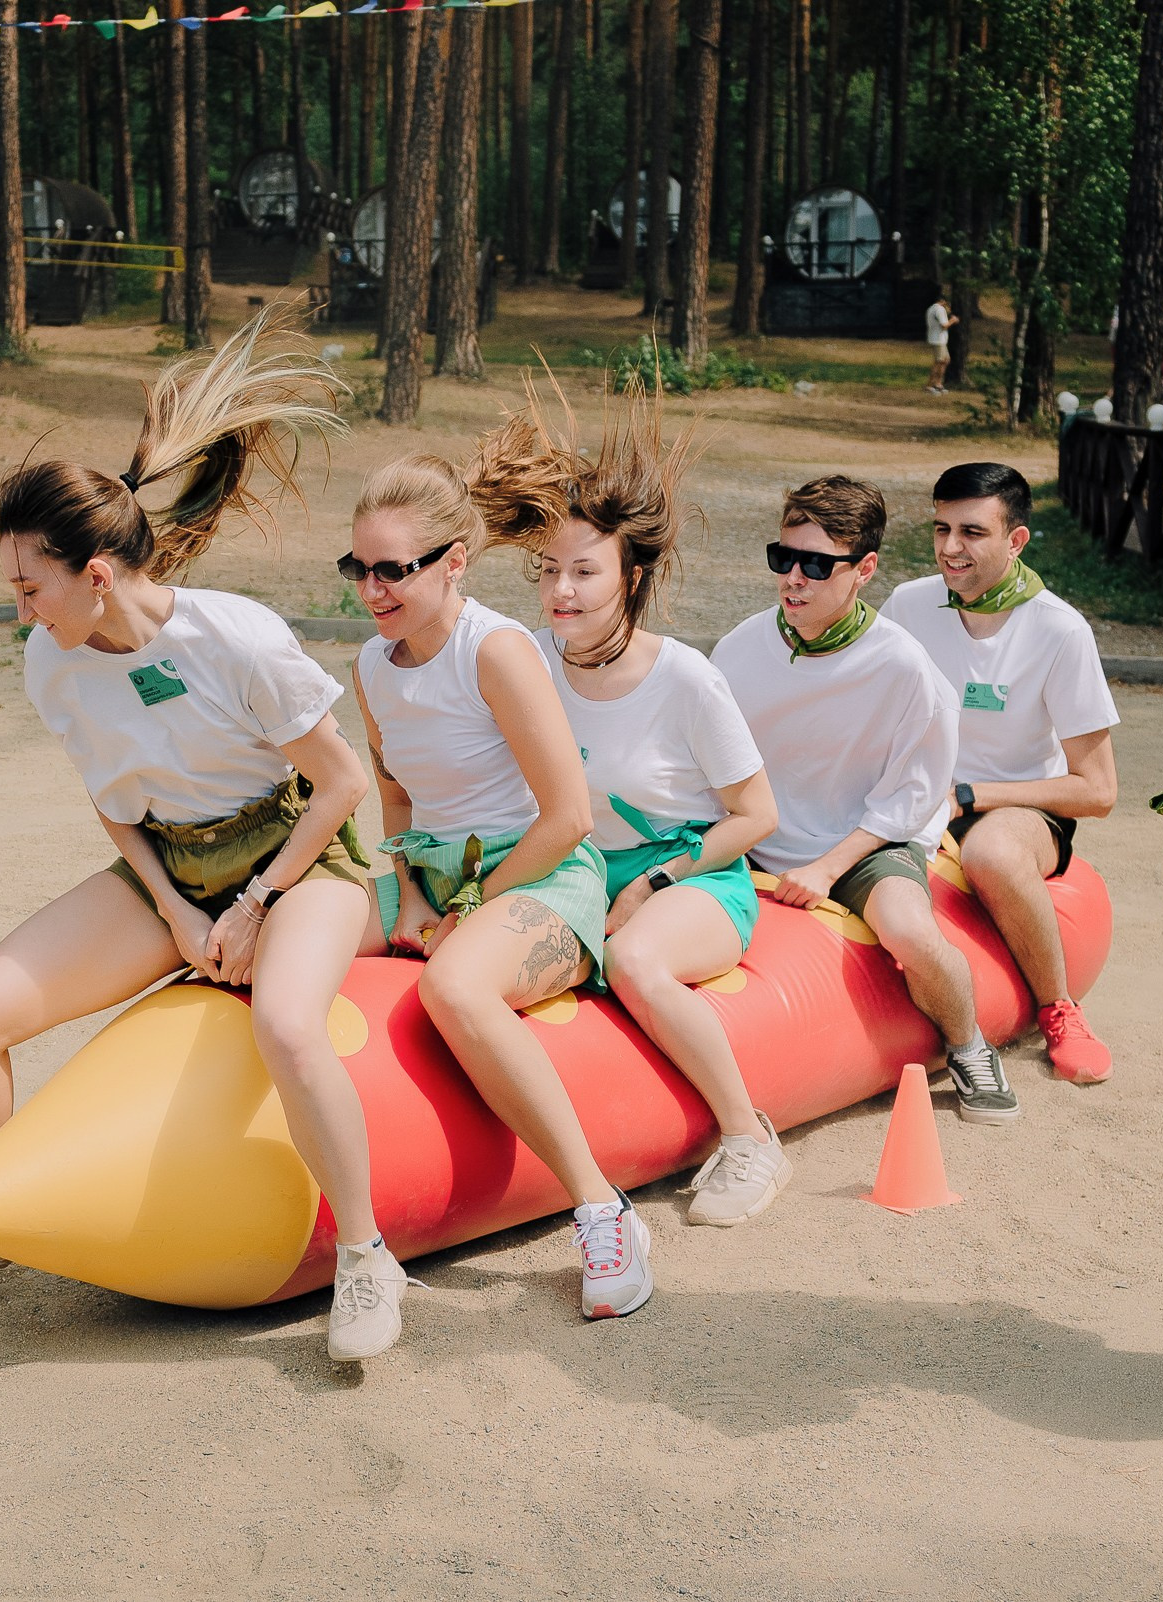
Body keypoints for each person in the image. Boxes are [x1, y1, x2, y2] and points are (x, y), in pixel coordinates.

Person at [0, 318, 414, 1363]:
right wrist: (173, 907)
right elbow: (112, 800)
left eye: (32, 585)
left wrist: (254, 909)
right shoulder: (52, 659)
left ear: (99, 573)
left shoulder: (237, 638)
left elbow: (341, 785)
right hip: (174, 865)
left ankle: (366, 1259)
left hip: (300, 861)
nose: (18, 605)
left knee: (289, 1030)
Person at [345, 444, 653, 1319]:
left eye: (393, 571)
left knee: (454, 984)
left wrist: (465, 910)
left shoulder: (498, 650)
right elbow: (397, 796)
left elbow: (568, 817)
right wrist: (407, 897)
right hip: (434, 876)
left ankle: (603, 1207)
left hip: (541, 874)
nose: (372, 592)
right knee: (287, 935)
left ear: (453, 563)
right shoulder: (373, 663)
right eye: (359, 569)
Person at [493, 389, 790, 1226]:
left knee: (634, 964)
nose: (561, 590)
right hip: (571, 870)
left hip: (691, 874)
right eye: (550, 570)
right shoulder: (525, 664)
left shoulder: (686, 679)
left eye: (584, 572)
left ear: (631, 576)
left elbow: (755, 814)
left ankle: (749, 1138)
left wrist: (652, 883)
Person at [712, 477, 1008, 1122]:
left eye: (818, 564)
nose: (794, 577)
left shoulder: (906, 669)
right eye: (782, 557)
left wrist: (825, 868)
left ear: (864, 569)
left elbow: (909, 800)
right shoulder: (738, 649)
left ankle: (969, 1045)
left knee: (910, 931)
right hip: (756, 836)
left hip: (865, 837)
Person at [884, 462, 1120, 1084]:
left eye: (972, 532)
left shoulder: (1060, 631)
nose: (950, 548)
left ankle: (1060, 1009)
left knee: (988, 852)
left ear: (1015, 541)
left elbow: (1096, 792)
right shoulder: (908, 605)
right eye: (941, 530)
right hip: (920, 798)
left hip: (1020, 808)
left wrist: (970, 795)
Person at [925, 296, 960, 393]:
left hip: (937, 339)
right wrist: (953, 320)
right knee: (939, 361)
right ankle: (930, 385)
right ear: (943, 301)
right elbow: (944, 325)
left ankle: (938, 383)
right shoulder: (940, 309)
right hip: (938, 339)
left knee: (945, 360)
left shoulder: (931, 309)